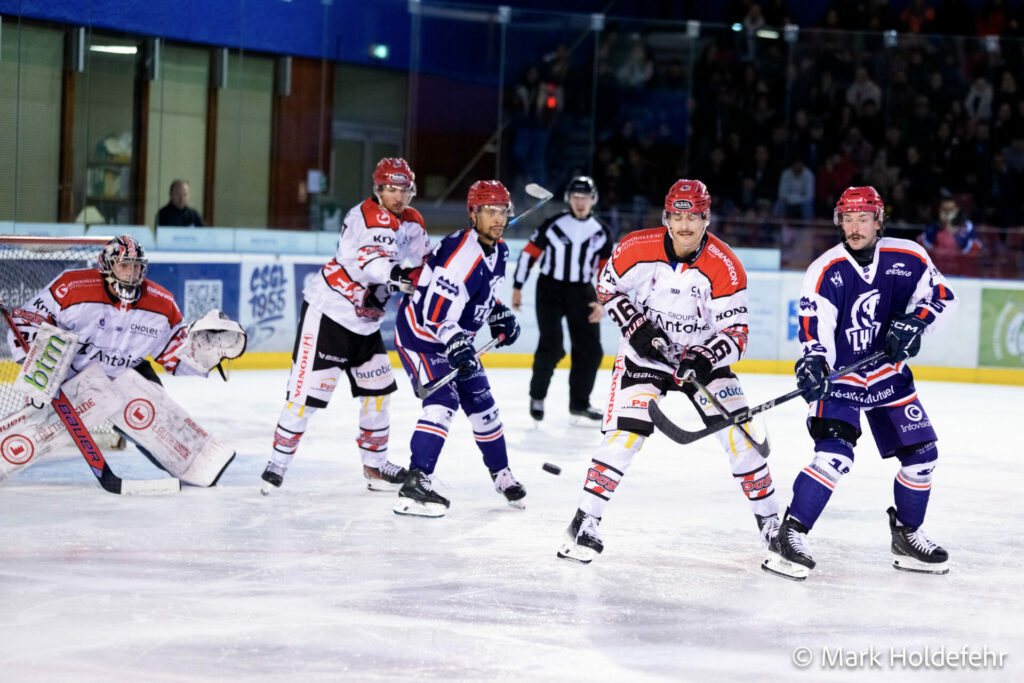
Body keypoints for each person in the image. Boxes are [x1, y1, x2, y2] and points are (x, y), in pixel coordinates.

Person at [556, 180, 779, 564]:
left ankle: (773, 526)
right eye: (678, 216)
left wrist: (705, 356)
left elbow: (737, 333)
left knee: (741, 436)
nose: (685, 225)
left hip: (701, 360)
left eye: (693, 216)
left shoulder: (725, 266)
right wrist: (635, 326)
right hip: (646, 357)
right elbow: (607, 286)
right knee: (626, 435)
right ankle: (584, 521)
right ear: (666, 216)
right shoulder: (635, 247)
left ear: (706, 218)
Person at [763, 186, 958, 581]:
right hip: (843, 378)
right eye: (847, 219)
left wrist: (917, 321)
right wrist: (815, 361)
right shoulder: (826, 269)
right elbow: (814, 325)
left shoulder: (909, 256)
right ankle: (790, 534)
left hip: (888, 374)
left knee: (923, 456)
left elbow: (942, 297)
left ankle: (907, 535)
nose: (854, 227)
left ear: (878, 220)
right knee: (835, 455)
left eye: (863, 218)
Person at [4, 235, 245, 486]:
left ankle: (191, 463)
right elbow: (27, 320)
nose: (131, 274)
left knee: (149, 414)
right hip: (73, 373)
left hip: (128, 370)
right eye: (124, 265)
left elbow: (174, 351)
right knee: (39, 425)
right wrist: (38, 360)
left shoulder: (162, 303)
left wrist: (202, 353)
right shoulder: (72, 287)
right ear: (107, 266)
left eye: (137, 266)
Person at [261, 158, 431, 493]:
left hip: (366, 323)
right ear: (378, 189)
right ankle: (277, 464)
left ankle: (376, 465)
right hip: (329, 314)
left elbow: (426, 261)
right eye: (391, 189)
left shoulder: (412, 221)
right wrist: (399, 277)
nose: (398, 196)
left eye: (403, 189)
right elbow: (373, 260)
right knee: (303, 398)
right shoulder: (363, 216)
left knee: (378, 394)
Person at [392, 180, 524, 517]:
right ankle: (417, 480)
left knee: (484, 405)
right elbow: (434, 314)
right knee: (442, 401)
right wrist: (455, 343)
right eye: (490, 211)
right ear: (473, 213)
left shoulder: (500, 249)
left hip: (455, 337)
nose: (498, 218)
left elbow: (481, 294)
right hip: (422, 336)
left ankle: (501, 475)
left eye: (502, 211)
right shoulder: (461, 256)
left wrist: (498, 313)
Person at [511, 176, 613, 424]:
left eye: (585, 197)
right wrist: (517, 286)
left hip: (583, 292)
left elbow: (607, 272)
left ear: (593, 199)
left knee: (591, 351)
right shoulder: (553, 224)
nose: (580, 202)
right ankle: (537, 397)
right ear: (569, 199)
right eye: (575, 197)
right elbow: (528, 255)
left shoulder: (601, 232)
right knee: (551, 343)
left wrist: (602, 302)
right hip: (550, 290)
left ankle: (579, 404)